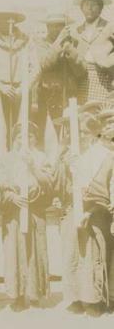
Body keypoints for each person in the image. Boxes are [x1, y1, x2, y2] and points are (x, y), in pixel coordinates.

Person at [55, 104, 113, 317]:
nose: (81, 136)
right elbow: (60, 187)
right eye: (78, 133)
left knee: (90, 256)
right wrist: (65, 167)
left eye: (85, 132)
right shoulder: (71, 157)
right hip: (73, 211)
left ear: (93, 134)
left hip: (95, 213)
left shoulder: (104, 156)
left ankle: (93, 300)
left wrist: (90, 209)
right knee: (72, 254)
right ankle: (76, 297)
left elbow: (103, 187)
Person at [0, 122, 54, 311]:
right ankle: (17, 296)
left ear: (35, 138)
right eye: (20, 137)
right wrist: (11, 196)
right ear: (14, 139)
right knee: (15, 252)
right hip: (13, 213)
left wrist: (32, 167)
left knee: (34, 252)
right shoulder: (7, 159)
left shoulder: (41, 158)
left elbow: (49, 183)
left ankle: (35, 293)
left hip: (35, 211)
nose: (25, 140)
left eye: (29, 136)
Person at [32, 13, 87, 143]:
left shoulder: (75, 44)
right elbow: (45, 64)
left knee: (70, 131)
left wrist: (69, 49)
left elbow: (81, 71)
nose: (57, 29)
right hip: (48, 96)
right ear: (47, 27)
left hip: (70, 95)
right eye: (53, 26)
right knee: (49, 133)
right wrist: (58, 44)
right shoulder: (41, 44)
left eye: (60, 26)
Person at [0, 8, 30, 148]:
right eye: (3, 18)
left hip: (19, 93)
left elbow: (34, 68)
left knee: (19, 133)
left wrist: (23, 87)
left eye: (10, 17)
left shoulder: (26, 41)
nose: (8, 21)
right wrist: (0, 86)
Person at [56, 0, 114, 103]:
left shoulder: (109, 27)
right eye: (86, 5)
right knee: (82, 115)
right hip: (80, 79)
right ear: (82, 8)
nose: (90, 8)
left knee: (102, 113)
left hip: (103, 78)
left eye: (94, 5)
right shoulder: (75, 30)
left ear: (101, 9)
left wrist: (108, 62)